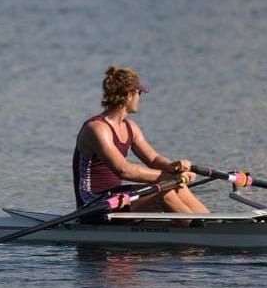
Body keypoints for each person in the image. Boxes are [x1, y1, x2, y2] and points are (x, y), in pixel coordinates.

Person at [73, 65, 210, 223]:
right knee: (164, 190)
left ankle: (211, 223)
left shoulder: (131, 127)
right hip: (92, 203)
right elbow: (124, 170)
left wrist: (173, 167)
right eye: (139, 93)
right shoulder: (97, 128)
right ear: (129, 95)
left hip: (115, 197)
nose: (140, 97)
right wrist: (168, 177)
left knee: (177, 185)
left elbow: (153, 159)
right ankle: (198, 231)